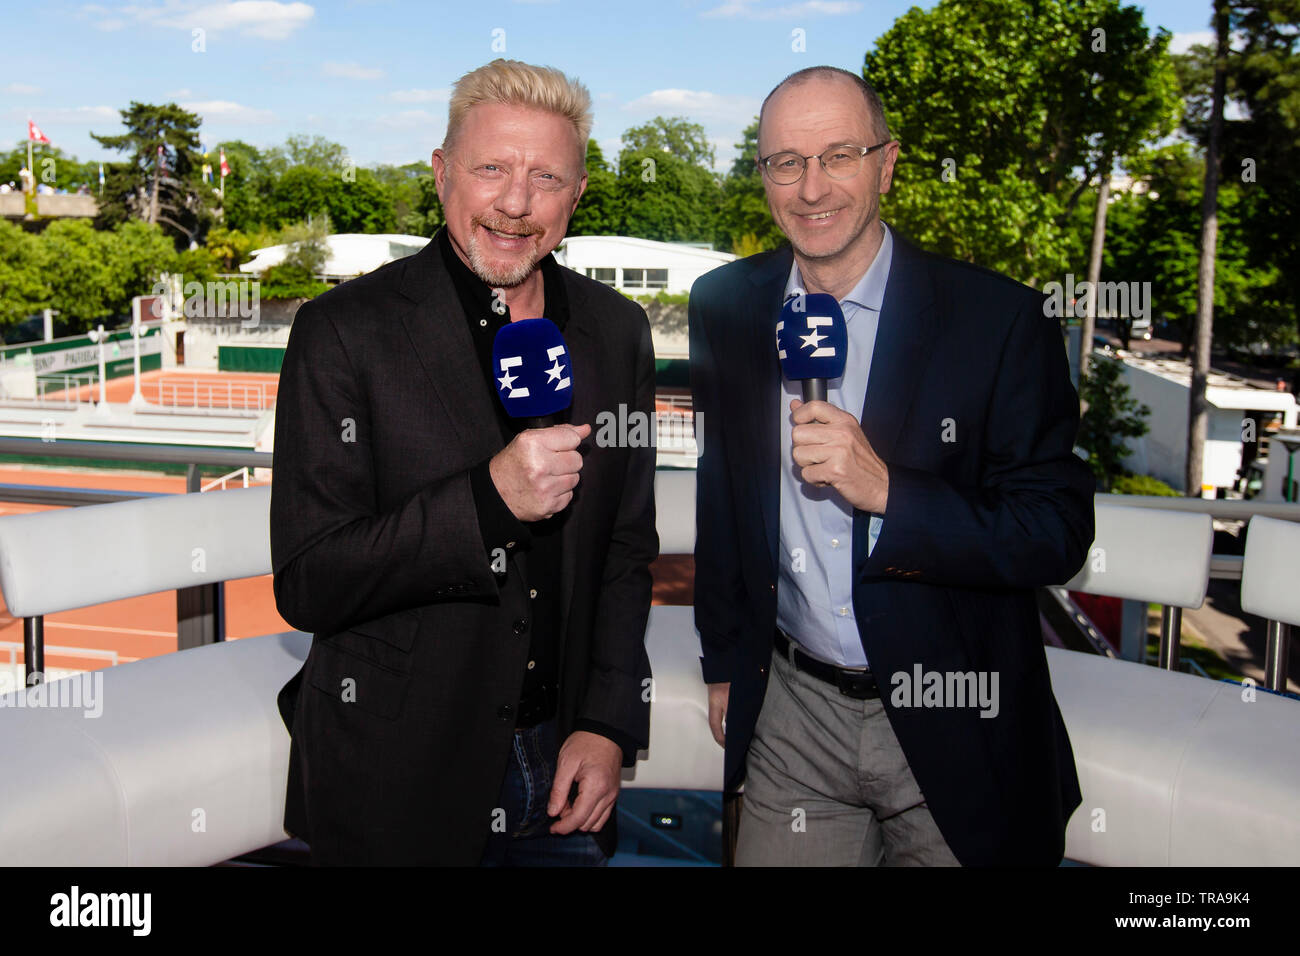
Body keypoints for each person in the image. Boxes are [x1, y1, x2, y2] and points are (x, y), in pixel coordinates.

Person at [689, 66, 1095, 866]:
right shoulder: (726, 305)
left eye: (840, 155)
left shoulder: (999, 320)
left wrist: (889, 493)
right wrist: (724, 660)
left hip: (953, 714)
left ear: (888, 162)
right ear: (762, 174)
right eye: (785, 162)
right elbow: (723, 497)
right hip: (791, 716)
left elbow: (1055, 530)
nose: (812, 189)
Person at [272, 58, 658, 866]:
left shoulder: (617, 331)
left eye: (546, 176)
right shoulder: (344, 331)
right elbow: (310, 579)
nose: (516, 204)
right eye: (492, 169)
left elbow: (625, 547)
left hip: (564, 770)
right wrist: (487, 500)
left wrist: (608, 723)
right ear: (442, 174)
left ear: (577, 194)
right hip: (395, 777)